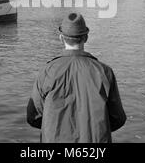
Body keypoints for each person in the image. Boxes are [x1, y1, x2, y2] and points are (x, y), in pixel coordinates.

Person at [27, 12, 126, 143]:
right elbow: (118, 118)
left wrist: (54, 127)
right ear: (86, 37)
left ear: (61, 38)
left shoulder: (47, 71)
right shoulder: (104, 71)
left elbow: (34, 116)